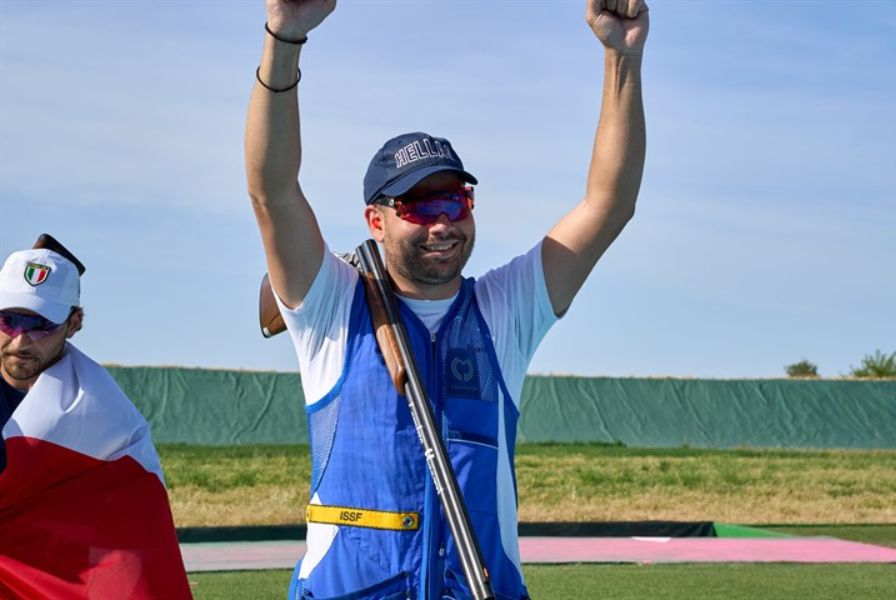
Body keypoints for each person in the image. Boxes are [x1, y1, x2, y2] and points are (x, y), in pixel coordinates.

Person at [245, 0, 648, 598]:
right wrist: (284, 37)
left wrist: (622, 57)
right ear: (375, 221)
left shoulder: (503, 309)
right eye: (420, 206)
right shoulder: (331, 304)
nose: (442, 224)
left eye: (455, 202)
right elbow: (272, 188)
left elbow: (608, 204)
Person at [0, 237, 191, 599]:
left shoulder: (104, 414)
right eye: (9, 320)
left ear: (75, 323)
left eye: (40, 324)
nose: (21, 340)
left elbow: (130, 543)